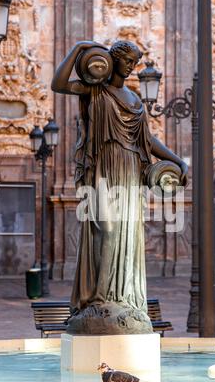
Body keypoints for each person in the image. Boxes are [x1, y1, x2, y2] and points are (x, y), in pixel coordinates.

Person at [51, 40, 188, 335]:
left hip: (129, 169)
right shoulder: (94, 90)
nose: (131, 68)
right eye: (128, 61)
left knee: (128, 235)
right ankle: (98, 299)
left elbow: (148, 142)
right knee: (108, 230)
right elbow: (59, 84)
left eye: (135, 63)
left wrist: (177, 160)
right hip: (103, 168)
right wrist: (77, 49)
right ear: (114, 60)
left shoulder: (136, 99)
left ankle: (121, 298)